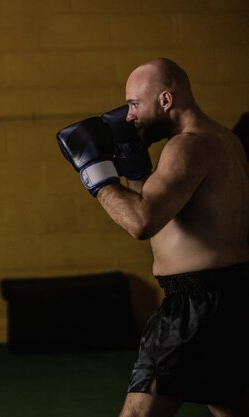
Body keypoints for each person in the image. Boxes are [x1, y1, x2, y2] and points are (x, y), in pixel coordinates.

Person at [57, 58, 249, 417]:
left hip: (194, 307)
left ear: (165, 100)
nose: (128, 116)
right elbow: (163, 205)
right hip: (234, 296)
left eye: (133, 105)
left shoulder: (186, 148)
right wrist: (132, 158)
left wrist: (94, 172)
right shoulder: (226, 139)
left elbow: (141, 222)